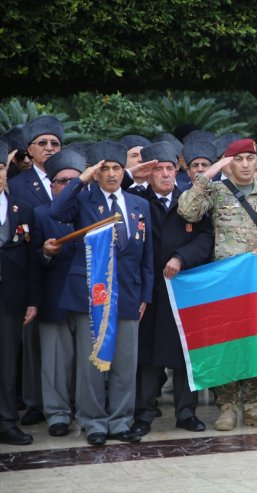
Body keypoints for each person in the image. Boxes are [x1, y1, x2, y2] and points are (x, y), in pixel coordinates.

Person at [178, 138, 257, 430]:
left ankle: (254, 405)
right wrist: (209, 175)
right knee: (228, 342)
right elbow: (187, 211)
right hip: (225, 283)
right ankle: (226, 405)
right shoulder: (217, 192)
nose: (246, 164)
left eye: (250, 158)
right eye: (239, 159)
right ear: (229, 162)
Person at [50, 140, 154, 446]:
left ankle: (121, 420)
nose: (111, 174)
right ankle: (93, 421)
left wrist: (145, 295)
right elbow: (57, 212)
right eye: (104, 168)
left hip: (128, 294)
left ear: (124, 171)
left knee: (125, 363)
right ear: (96, 172)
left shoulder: (139, 204)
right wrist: (82, 179)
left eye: (116, 168)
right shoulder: (83, 201)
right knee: (93, 362)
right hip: (91, 295)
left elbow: (146, 255)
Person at [129, 141, 215, 436]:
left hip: (183, 287)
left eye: (170, 168)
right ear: (148, 173)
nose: (166, 175)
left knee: (184, 353)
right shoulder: (136, 200)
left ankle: (186, 412)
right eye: (159, 169)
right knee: (148, 353)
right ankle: (144, 412)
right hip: (149, 289)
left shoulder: (189, 201)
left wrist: (181, 257)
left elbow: (205, 239)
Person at [8, 115, 64, 427]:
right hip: (29, 273)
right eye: (42, 143)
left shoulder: (72, 179)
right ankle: (34, 403)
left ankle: (64, 400)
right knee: (31, 346)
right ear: (30, 150)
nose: (49, 148)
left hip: (63, 272)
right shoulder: (16, 185)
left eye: (55, 143)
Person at [32, 150, 85, 438]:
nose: (67, 186)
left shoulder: (92, 210)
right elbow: (32, 261)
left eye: (74, 181)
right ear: (52, 185)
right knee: (55, 361)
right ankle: (57, 414)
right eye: (61, 181)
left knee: (88, 361)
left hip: (89, 298)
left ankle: (87, 410)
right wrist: (45, 252)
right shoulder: (40, 213)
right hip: (54, 297)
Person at [0, 141, 39, 445]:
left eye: (0, 168)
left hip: (11, 297)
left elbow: (31, 259)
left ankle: (6, 421)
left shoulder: (21, 208)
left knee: (7, 361)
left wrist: (32, 300)